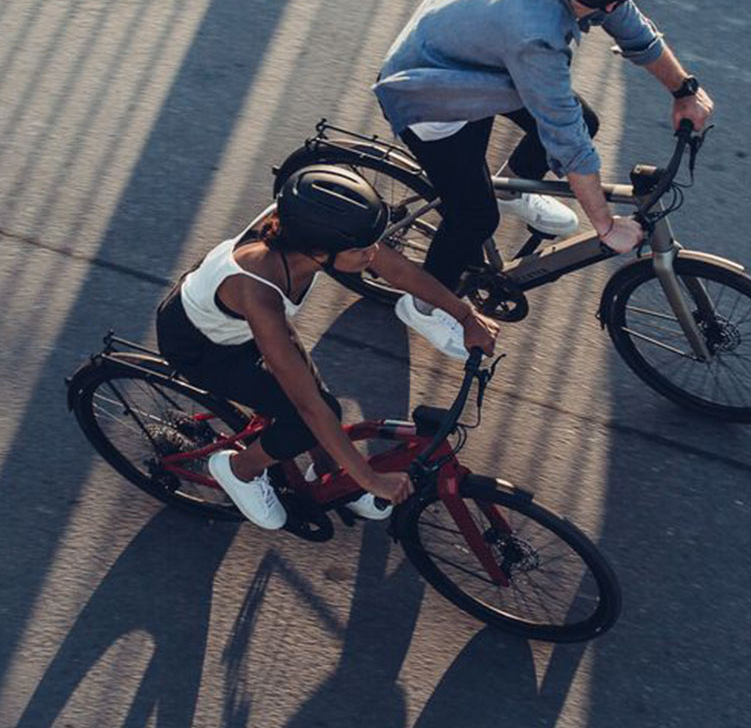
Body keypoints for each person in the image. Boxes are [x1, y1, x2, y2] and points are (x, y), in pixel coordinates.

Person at [373, 0, 714, 357]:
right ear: (607, 0)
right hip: (429, 94)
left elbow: (632, 29)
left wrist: (683, 90)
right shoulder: (535, 37)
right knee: (474, 217)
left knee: (584, 120)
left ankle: (513, 189)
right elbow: (565, 138)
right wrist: (605, 225)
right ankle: (422, 305)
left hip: (472, 58)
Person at [156, 166, 499, 530]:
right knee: (308, 417)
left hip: (239, 324)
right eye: (362, 248)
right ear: (320, 252)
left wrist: (465, 315)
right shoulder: (257, 292)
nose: (374, 253)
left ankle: (328, 475)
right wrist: (371, 479)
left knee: (319, 404)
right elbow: (308, 408)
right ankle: (239, 468)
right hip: (201, 347)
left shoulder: (305, 237)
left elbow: (397, 271)